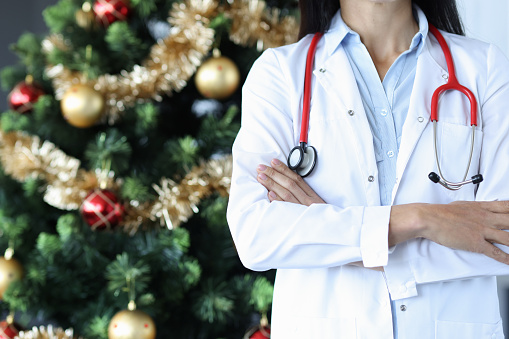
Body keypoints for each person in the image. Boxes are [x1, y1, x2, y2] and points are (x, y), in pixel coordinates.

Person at [227, 0, 509, 337]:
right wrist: (424, 220)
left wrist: (331, 231)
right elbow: (256, 234)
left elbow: (500, 240)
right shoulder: (279, 73)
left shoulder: (484, 67)